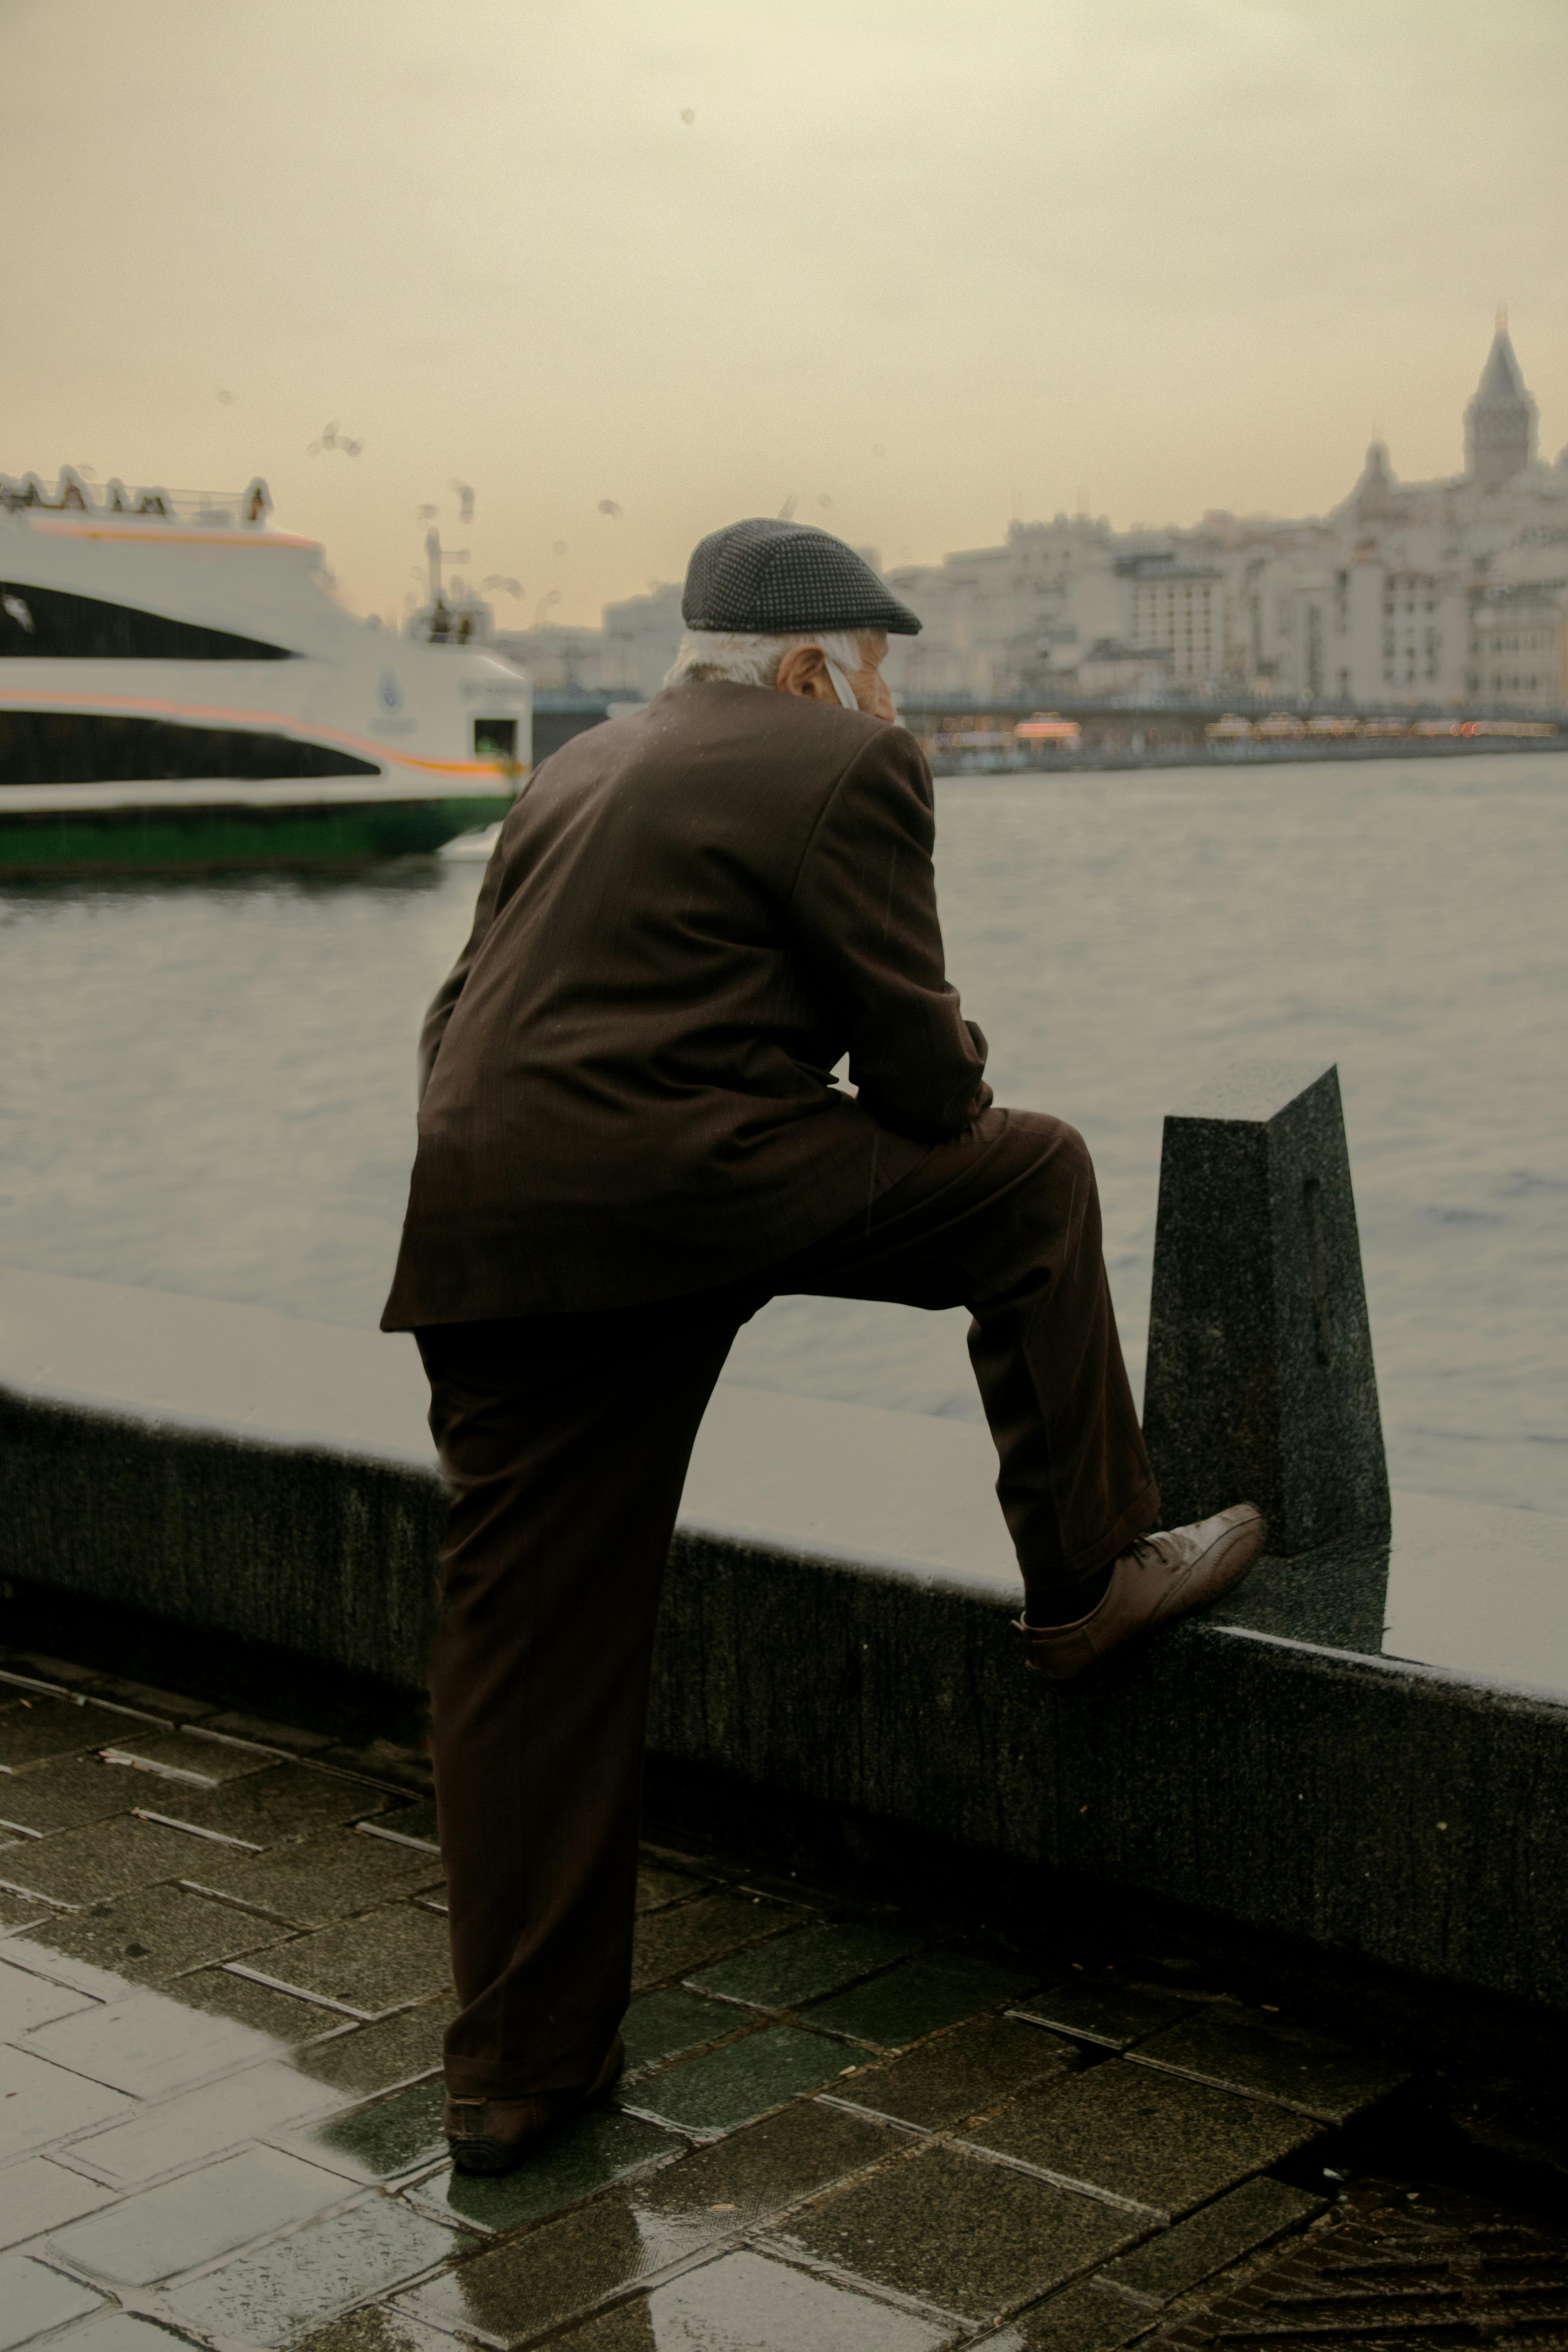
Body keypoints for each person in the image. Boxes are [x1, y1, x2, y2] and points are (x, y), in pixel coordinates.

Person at [381, 517, 1262, 2175]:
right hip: (696, 1186)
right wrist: (926, 1061)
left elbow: (458, 1013)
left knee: (522, 1651)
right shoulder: (846, 760)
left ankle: (514, 2073)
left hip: (485, 1211)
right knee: (1035, 1182)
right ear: (804, 667)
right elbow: (927, 1083)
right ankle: (1088, 1578)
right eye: (872, 668)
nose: (881, 697)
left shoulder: (576, 768)